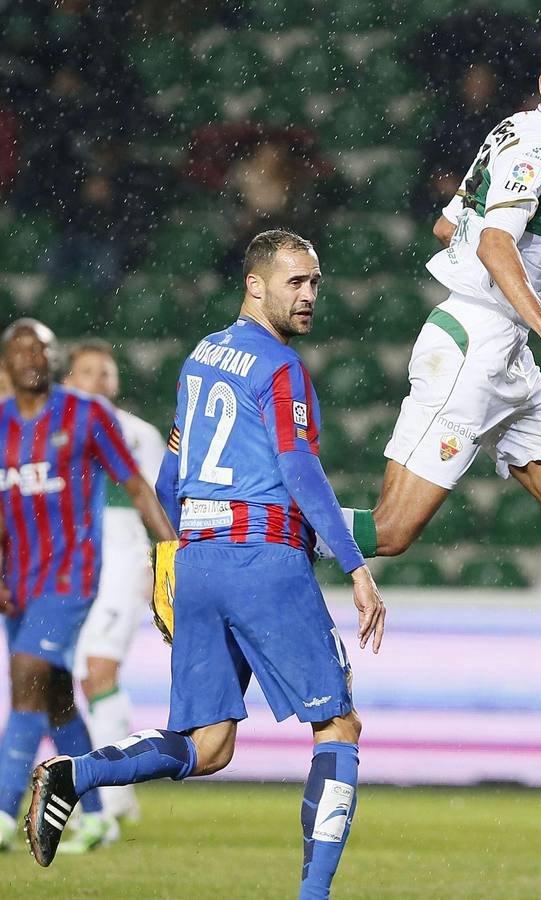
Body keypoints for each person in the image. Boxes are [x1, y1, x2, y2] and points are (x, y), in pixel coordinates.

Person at [338, 30, 541, 751]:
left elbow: (449, 221)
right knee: (392, 532)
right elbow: (493, 244)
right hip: (476, 345)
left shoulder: (522, 137)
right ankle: (216, 534)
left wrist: (523, 321)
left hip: (503, 353)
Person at [26, 231, 386, 900]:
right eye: (295, 282)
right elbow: (298, 466)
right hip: (262, 559)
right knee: (338, 725)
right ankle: (314, 897)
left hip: (197, 560)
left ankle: (77, 776)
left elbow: (171, 472)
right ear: (255, 285)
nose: (309, 295)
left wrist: (168, 564)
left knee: (209, 745)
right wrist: (356, 566)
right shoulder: (281, 368)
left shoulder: (200, 357)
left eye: (315, 283)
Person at [0, 318, 176, 853]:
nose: (33, 358)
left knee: (26, 680)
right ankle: (97, 814)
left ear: (56, 360)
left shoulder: (86, 415)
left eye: (43, 349)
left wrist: (173, 555)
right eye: (21, 350)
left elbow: (138, 487)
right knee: (55, 698)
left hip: (70, 576)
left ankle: (4, 810)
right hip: (17, 583)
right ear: (6, 364)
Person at [62, 339, 166, 827]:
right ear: (68, 382)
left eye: (106, 373)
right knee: (88, 677)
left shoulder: (136, 433)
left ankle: (108, 798)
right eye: (87, 372)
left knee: (98, 671)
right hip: (74, 568)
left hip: (122, 563)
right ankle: (112, 800)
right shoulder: (53, 432)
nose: (98, 381)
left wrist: (160, 560)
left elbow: (161, 499)